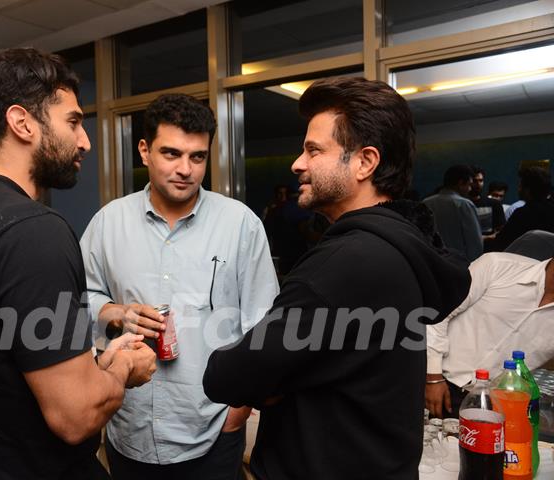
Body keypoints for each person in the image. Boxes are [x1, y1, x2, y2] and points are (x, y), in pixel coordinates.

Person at [202, 77, 471, 480]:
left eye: (314, 150)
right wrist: (286, 376)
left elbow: (227, 375)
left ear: (365, 162)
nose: (298, 163)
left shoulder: (346, 263)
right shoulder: (397, 248)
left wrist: (276, 381)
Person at [0, 47, 156, 479]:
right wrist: (126, 367)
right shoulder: (34, 230)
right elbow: (75, 417)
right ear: (22, 122)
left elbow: (4, 363)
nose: (85, 140)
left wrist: (101, 365)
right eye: (73, 121)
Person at [80, 93, 279, 479]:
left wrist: (236, 416)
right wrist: (115, 313)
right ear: (144, 151)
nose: (185, 169)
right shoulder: (108, 224)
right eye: (171, 154)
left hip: (213, 432)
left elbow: (264, 326)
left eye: (198, 157)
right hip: (128, 427)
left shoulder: (240, 225)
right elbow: (78, 299)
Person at [426, 252, 554, 418]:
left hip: (490, 406)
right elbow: (438, 312)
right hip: (431, 377)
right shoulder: (497, 265)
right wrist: (433, 376)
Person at [423, 165, 483, 262]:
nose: (470, 189)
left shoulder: (426, 203)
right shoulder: (464, 204)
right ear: (460, 183)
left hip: (432, 261)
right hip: (459, 263)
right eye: (469, 185)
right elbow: (475, 242)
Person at [491, 166, 554, 251]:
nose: (518, 189)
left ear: (527, 190)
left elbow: (500, 243)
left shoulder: (522, 214)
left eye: (520, 186)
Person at [469, 166, 505, 236]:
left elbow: (501, 229)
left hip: (488, 245)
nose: (478, 184)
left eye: (481, 180)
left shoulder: (494, 204)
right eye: (474, 181)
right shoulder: (462, 204)